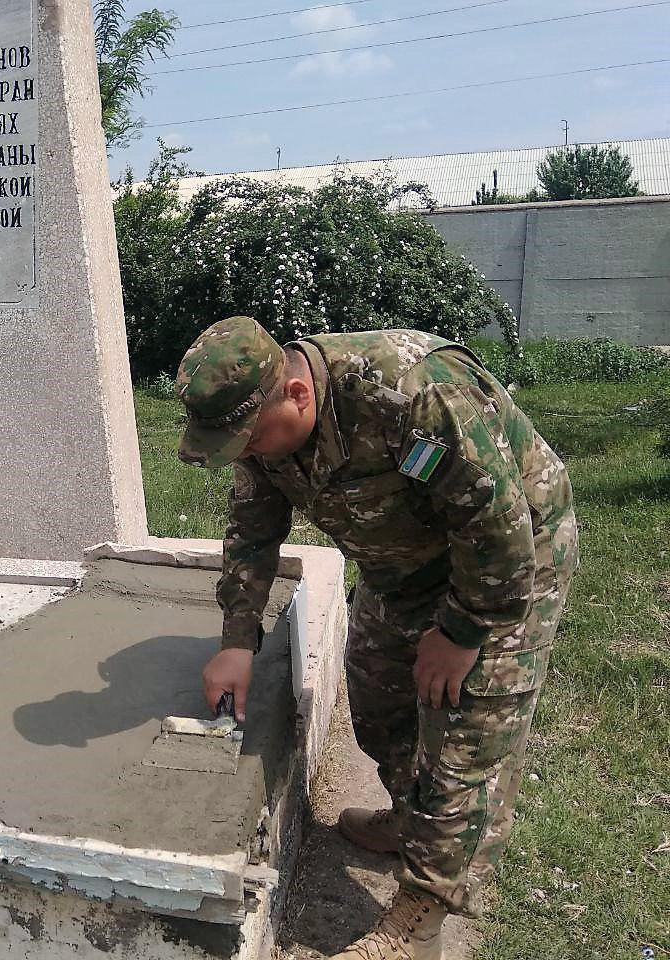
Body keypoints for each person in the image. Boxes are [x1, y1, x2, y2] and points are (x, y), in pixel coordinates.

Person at [174, 316, 579, 960]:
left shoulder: (410, 394)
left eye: (249, 438)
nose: (247, 453)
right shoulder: (263, 437)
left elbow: (496, 521)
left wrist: (463, 631)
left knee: (467, 733)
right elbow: (253, 531)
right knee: (379, 693)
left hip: (508, 560)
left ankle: (420, 919)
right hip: (403, 567)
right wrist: (236, 640)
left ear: (298, 395)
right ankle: (407, 819)